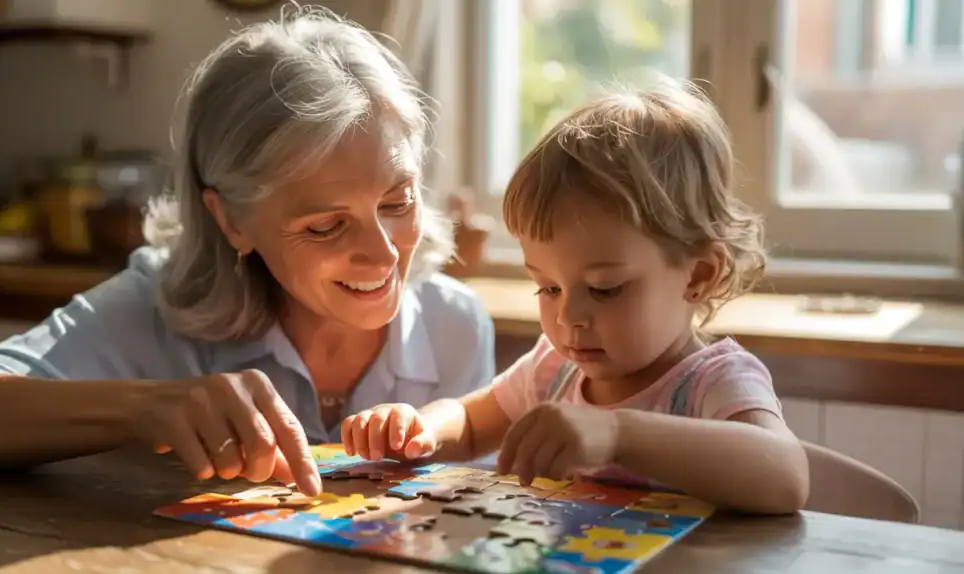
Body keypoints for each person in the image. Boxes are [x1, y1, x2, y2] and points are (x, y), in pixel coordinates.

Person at [0, 7, 495, 497]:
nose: (382, 255)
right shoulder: (154, 310)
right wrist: (145, 408)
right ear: (231, 219)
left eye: (398, 201)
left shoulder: (455, 326)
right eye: (326, 226)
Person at [340, 78, 810, 514]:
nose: (569, 317)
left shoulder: (713, 381)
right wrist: (418, 427)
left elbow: (785, 475)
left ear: (698, 276)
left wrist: (618, 433)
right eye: (547, 287)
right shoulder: (555, 369)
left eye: (605, 289)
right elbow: (469, 420)